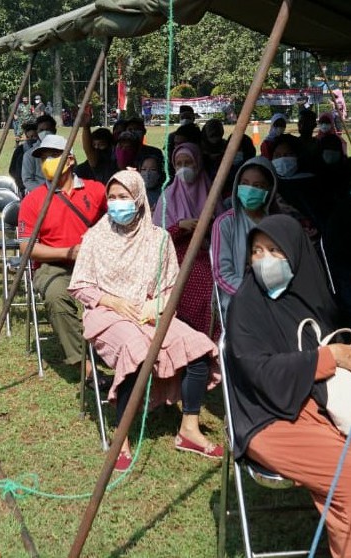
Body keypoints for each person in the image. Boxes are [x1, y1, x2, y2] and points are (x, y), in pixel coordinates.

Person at [69, 169, 221, 472]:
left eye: (123, 197)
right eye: (111, 198)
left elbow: (170, 285)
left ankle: (188, 428)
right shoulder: (96, 237)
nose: (116, 203)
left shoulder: (159, 238)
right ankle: (121, 437)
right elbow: (81, 285)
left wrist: (157, 305)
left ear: (138, 200)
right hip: (108, 313)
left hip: (151, 312)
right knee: (136, 352)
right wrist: (112, 301)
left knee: (199, 346)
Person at [226, 214, 351, 558]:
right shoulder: (246, 305)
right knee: (348, 482)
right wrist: (329, 358)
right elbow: (259, 372)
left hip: (318, 408)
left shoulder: (311, 298)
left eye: (275, 251)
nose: (264, 260)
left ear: (296, 253)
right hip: (268, 419)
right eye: (257, 252)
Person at [17, 134, 107, 369]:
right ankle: (84, 365)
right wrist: (67, 253)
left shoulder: (96, 191)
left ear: (70, 160)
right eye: (43, 157)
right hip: (53, 266)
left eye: (53, 156)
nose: (47, 161)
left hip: (95, 263)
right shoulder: (33, 200)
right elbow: (27, 248)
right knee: (57, 296)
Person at [153, 142, 224, 337]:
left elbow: (224, 227)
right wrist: (180, 227)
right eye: (179, 164)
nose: (184, 168)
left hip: (210, 253)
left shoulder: (210, 193)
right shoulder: (168, 196)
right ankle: (197, 339)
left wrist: (207, 228)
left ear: (198, 164)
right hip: (178, 256)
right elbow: (156, 239)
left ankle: (214, 340)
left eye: (189, 163)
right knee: (201, 284)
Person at [211, 157, 279, 315]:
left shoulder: (278, 223)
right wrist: (252, 295)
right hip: (239, 301)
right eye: (245, 183)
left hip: (277, 300)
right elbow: (223, 274)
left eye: (257, 186)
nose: (249, 189)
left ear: (269, 189)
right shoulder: (225, 224)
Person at [22, 114, 57, 192]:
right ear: (37, 132)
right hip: (40, 194)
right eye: (41, 130)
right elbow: (27, 180)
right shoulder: (29, 155)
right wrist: (45, 192)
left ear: (54, 131)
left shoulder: (65, 151)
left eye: (48, 129)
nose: (45, 133)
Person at [9, 121, 37, 197]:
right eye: (28, 137)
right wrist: (22, 185)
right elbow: (12, 170)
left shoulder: (43, 149)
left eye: (34, 136)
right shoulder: (20, 150)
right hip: (24, 188)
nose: (31, 139)